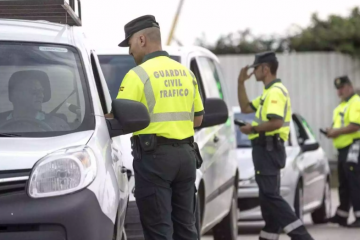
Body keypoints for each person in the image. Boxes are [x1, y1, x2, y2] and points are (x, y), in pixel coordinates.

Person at [109, 15, 204, 240]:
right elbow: (198, 119)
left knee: (159, 231)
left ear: (141, 40)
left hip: (154, 161)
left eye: (130, 44)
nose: (130, 51)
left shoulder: (138, 74)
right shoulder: (186, 73)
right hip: (186, 157)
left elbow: (118, 118)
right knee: (187, 229)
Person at [237, 51, 314, 240]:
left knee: (270, 196)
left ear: (266, 68)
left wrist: (253, 129)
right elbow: (245, 108)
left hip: (268, 148)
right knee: (267, 199)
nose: (253, 72)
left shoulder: (275, 93)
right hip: (266, 149)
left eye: (256, 68)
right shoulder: (267, 93)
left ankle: (302, 236)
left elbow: (276, 122)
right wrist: (240, 83)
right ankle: (268, 236)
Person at [325, 76, 360, 228]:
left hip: (354, 147)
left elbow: (355, 125)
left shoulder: (356, 102)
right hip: (342, 149)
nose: (340, 91)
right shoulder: (342, 106)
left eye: (342, 88)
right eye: (338, 89)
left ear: (350, 86)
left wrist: (336, 132)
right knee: (343, 183)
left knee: (355, 182)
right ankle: (342, 215)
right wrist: (331, 131)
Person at [0, 70, 70, 132]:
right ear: (15, 95)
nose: (41, 96)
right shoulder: (1, 121)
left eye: (41, 91)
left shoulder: (58, 125)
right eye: (34, 91)